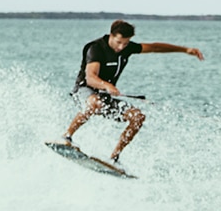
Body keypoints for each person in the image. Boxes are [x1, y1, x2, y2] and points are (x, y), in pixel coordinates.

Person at [58, 19, 204, 164]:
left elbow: (155, 47)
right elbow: (91, 78)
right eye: (118, 42)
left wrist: (185, 50)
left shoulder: (127, 48)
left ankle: (114, 158)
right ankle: (66, 137)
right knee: (94, 102)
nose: (121, 47)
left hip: (105, 97)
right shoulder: (96, 48)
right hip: (84, 92)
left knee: (137, 117)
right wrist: (107, 85)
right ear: (111, 35)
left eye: (125, 43)